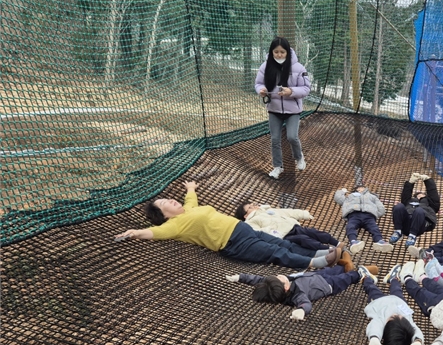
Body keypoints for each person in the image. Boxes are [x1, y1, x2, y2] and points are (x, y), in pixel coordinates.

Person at [114, 181, 342, 270]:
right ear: (164, 215)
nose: (171, 201)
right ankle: (316, 262)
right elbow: (155, 233)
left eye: (168, 199)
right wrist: (136, 233)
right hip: (233, 243)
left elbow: (190, 198)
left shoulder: (189, 209)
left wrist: (191, 188)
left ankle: (321, 252)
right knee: (275, 252)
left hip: (244, 230)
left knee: (282, 244)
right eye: (165, 204)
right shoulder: (175, 226)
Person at [225, 264, 379, 321]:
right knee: (344, 278)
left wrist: (240, 277)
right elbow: (305, 303)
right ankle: (359, 274)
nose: (280, 276)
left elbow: (256, 279)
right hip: (327, 286)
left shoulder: (272, 284)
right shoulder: (297, 295)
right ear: (286, 287)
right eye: (280, 278)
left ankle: (345, 266)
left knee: (334, 270)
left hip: (315, 275)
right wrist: (301, 311)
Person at [254, 37, 311, 179]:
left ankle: (299, 157)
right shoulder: (265, 66)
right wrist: (261, 90)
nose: (279, 55)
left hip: (293, 111)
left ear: (288, 52)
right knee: (275, 139)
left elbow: (306, 88)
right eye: (276, 52)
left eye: (282, 52)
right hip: (274, 109)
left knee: (292, 136)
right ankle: (277, 167)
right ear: (271, 52)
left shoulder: (298, 68)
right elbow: (258, 83)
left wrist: (291, 91)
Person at [361, 264, 424, 345]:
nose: (396, 314)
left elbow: (375, 327)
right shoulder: (408, 323)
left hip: (379, 301)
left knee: (372, 289)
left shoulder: (381, 320)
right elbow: (416, 330)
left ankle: (366, 278)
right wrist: (418, 341)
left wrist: (374, 338)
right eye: (401, 317)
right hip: (398, 301)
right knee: (397, 289)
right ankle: (393, 278)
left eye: (393, 317)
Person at [234, 202, 339, 252]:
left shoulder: (268, 210)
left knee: (312, 232)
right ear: (245, 215)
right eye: (250, 207)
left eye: (253, 204)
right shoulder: (250, 222)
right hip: (284, 235)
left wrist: (303, 214)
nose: (254, 206)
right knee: (304, 239)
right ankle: (328, 249)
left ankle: (336, 243)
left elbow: (287, 212)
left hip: (293, 226)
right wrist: (271, 230)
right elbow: (257, 232)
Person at [333, 185, 394, 254]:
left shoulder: (371, 196)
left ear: (365, 189)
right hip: (354, 214)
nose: (359, 189)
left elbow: (380, 207)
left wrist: (376, 214)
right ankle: (353, 241)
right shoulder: (350, 196)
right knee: (350, 226)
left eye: (361, 188)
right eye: (357, 188)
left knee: (374, 227)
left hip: (368, 215)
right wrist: (342, 191)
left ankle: (379, 241)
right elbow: (338, 198)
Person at [388, 173, 440, 248]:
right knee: (399, 206)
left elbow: (433, 194)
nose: (420, 194)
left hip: (420, 224)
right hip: (406, 223)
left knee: (419, 210)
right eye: (418, 194)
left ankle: (412, 236)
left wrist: (427, 181)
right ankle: (398, 232)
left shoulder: (430, 203)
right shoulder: (409, 201)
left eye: (422, 194)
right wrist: (410, 182)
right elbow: (405, 194)